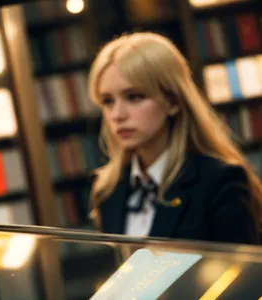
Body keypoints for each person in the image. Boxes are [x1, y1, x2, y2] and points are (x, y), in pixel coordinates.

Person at [87, 32, 262, 244]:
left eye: (134, 97)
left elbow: (242, 275)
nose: (117, 115)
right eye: (107, 101)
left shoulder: (219, 182)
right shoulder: (108, 190)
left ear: (173, 102)